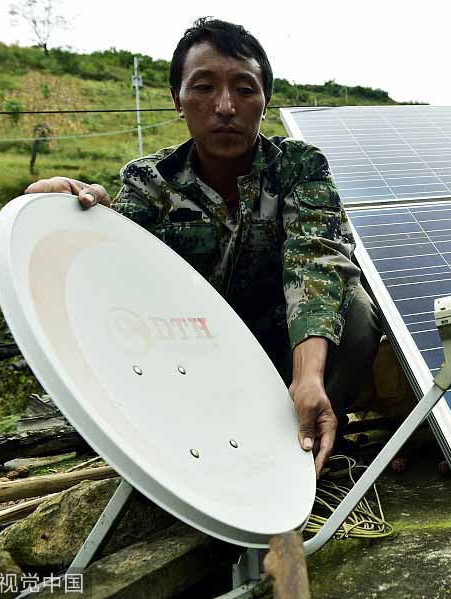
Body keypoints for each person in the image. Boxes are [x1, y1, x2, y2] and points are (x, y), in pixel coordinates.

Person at [24, 17, 381, 476]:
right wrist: (82, 216)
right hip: (194, 357)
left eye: (245, 90)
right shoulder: (150, 182)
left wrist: (308, 377)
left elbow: (317, 263)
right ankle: (194, 447)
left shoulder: (299, 166)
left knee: (355, 311)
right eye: (204, 87)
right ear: (178, 100)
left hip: (284, 350)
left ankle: (304, 436)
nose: (226, 106)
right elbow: (118, 276)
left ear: (265, 102)